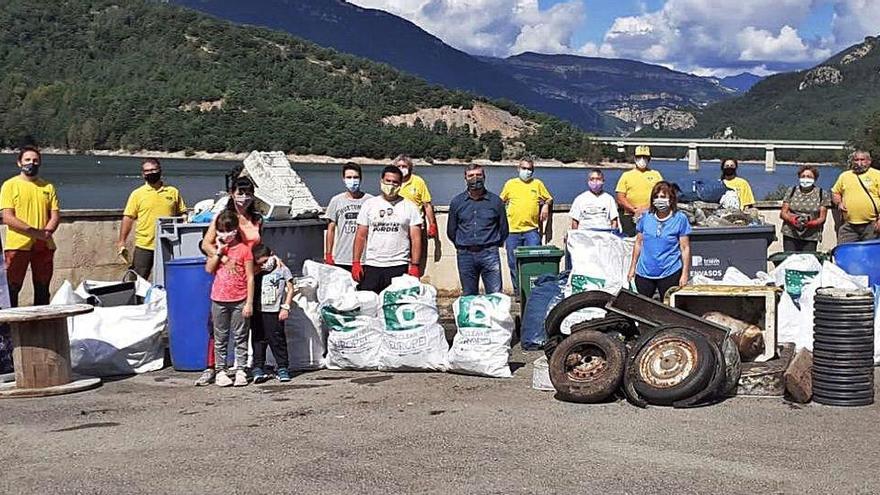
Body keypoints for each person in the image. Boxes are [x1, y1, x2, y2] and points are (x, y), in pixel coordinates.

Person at [196, 175, 262, 386]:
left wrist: (270, 259)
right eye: (240, 193)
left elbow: (258, 247)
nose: (244, 198)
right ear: (232, 193)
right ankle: (214, 367)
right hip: (225, 277)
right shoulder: (224, 218)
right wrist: (223, 257)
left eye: (248, 193)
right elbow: (205, 243)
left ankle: (251, 366)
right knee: (218, 328)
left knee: (248, 325)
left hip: (250, 274)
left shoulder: (257, 219)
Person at [0, 146, 60, 307]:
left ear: (39, 163)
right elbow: (7, 217)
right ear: (19, 163)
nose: (31, 163)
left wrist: (46, 233)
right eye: (27, 160)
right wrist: (35, 232)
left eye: (35, 160)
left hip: (44, 245)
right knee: (12, 289)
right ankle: (9, 329)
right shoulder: (9, 185)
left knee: (42, 288)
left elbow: (55, 215)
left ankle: (40, 328)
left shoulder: (48, 187)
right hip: (17, 245)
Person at [203, 210, 254, 387]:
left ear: (235, 229)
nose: (226, 234)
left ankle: (241, 369)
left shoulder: (244, 250)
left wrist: (249, 302)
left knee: (241, 336)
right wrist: (219, 251)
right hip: (219, 298)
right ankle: (221, 370)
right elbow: (209, 269)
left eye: (229, 230)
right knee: (220, 337)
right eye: (222, 231)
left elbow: (250, 276)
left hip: (240, 299)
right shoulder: (217, 249)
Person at [353, 166, 423, 293]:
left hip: (399, 265)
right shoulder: (369, 205)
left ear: (400, 184)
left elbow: (416, 238)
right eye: (388, 181)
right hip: (372, 264)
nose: (391, 185)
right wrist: (356, 262)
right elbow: (360, 236)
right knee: (368, 304)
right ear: (381, 181)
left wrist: (415, 265)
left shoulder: (410, 207)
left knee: (394, 306)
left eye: (395, 182)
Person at [117, 158, 187, 279]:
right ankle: (136, 299)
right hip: (144, 245)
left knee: (169, 278)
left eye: (154, 170)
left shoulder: (173, 192)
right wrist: (122, 241)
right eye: (147, 171)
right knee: (138, 280)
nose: (151, 173)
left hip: (169, 243)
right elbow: (128, 217)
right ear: (143, 174)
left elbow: (183, 214)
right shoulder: (137, 194)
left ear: (160, 171)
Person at [447, 164, 509, 296]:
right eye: (471, 176)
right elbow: (451, 231)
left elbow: (503, 229)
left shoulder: (496, 202)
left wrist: (493, 244)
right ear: (465, 178)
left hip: (490, 253)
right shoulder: (457, 202)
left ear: (484, 177)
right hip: (465, 255)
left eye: (478, 175)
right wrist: (462, 244)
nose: (475, 179)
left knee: (495, 295)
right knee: (469, 296)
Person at [628, 181, 691, 300]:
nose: (659, 200)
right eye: (656, 197)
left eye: (663, 197)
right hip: (644, 271)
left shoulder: (680, 219)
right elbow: (638, 243)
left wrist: (685, 273)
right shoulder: (646, 217)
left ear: (671, 199)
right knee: (641, 305)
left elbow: (685, 248)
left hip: (670, 271)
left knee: (669, 307)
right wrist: (632, 267)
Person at [500, 157, 552, 291]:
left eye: (530, 169)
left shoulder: (537, 184)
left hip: (532, 230)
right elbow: (501, 201)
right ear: (518, 169)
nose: (527, 172)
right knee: (513, 263)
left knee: (535, 261)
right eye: (524, 168)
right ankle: (518, 291)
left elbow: (549, 198)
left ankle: (534, 291)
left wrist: (546, 205)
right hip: (512, 231)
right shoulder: (510, 184)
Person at [250, 243, 294, 384]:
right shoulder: (257, 272)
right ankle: (258, 367)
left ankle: (282, 367)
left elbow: (290, 287)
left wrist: (286, 307)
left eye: (265, 261)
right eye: (259, 263)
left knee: (277, 339)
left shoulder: (282, 269)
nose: (263, 265)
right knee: (258, 339)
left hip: (274, 311)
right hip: (258, 310)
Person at [393, 155, 437, 275]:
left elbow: (427, 205)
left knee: (416, 258)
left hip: (416, 227)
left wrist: (432, 225)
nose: (402, 168)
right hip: (397, 227)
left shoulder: (418, 181)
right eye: (399, 166)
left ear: (410, 167)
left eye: (404, 166)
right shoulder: (392, 182)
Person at [323, 162, 372, 271]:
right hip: (342, 257)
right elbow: (331, 230)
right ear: (343, 179)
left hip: (365, 258)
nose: (352, 180)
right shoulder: (336, 201)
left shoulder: (370, 201)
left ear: (361, 179)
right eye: (349, 177)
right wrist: (329, 254)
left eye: (355, 177)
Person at [832, 151, 880, 243]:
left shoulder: (877, 175)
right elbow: (835, 192)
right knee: (845, 252)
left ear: (869, 161)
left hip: (871, 225)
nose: (859, 163)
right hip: (848, 225)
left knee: (870, 254)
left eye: (862, 160)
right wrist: (839, 203)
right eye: (856, 160)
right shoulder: (845, 176)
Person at [780, 165, 831, 252]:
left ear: (815, 179)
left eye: (809, 176)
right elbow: (783, 213)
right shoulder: (791, 191)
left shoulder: (822, 194)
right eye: (803, 176)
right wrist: (792, 220)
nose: (805, 179)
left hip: (811, 235)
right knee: (790, 260)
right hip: (790, 233)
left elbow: (822, 218)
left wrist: (811, 223)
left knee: (808, 260)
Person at [616, 145, 663, 237]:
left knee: (650, 239)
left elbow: (661, 194)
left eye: (645, 157)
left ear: (649, 159)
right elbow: (620, 197)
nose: (642, 159)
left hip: (651, 215)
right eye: (639, 157)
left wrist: (646, 208)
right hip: (629, 216)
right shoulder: (626, 175)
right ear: (635, 158)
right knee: (629, 241)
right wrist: (634, 210)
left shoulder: (656, 175)